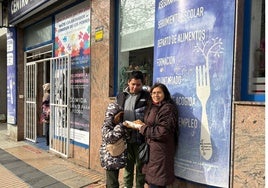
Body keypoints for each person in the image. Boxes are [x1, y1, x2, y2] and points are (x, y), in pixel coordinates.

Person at [123, 83, 179, 188]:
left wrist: (141, 128)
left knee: (157, 183)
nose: (156, 95)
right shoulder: (152, 105)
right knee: (152, 182)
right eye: (153, 93)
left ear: (165, 94)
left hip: (161, 152)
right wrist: (141, 123)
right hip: (151, 151)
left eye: (159, 93)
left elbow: (162, 132)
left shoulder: (168, 109)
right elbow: (151, 124)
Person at [116, 70, 150, 188]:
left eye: (138, 85)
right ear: (128, 83)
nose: (135, 87)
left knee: (140, 169)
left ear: (142, 84)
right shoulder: (121, 96)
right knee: (128, 167)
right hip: (125, 138)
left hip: (140, 138)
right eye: (133, 84)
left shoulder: (147, 96)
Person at [99, 102, 129, 188]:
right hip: (109, 160)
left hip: (116, 159)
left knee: (112, 182)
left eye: (121, 116)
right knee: (113, 184)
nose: (119, 118)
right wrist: (121, 126)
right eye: (118, 116)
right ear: (111, 115)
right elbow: (110, 137)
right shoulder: (106, 125)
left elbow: (125, 137)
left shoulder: (117, 124)